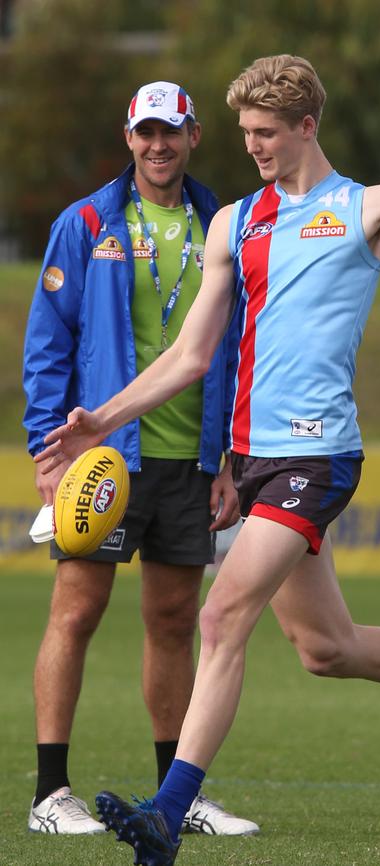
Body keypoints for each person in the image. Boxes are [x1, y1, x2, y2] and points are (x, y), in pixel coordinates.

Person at [35, 38, 380, 865]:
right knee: (329, 649)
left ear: (306, 123)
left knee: (220, 617)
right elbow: (188, 356)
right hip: (253, 461)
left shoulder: (369, 209)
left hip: (317, 456)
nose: (251, 145)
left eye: (265, 131)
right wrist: (100, 421)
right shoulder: (236, 220)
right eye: (246, 131)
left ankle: (166, 815)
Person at [23, 81, 258, 837]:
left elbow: (234, 346)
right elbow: (48, 343)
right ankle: (50, 795)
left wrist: (226, 457)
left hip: (189, 455)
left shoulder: (222, 223)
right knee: (77, 611)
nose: (159, 145)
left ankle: (174, 798)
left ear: (192, 138)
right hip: (103, 458)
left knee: (172, 619)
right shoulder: (86, 221)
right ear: (129, 138)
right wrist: (46, 448)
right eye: (146, 132)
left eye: (172, 132)